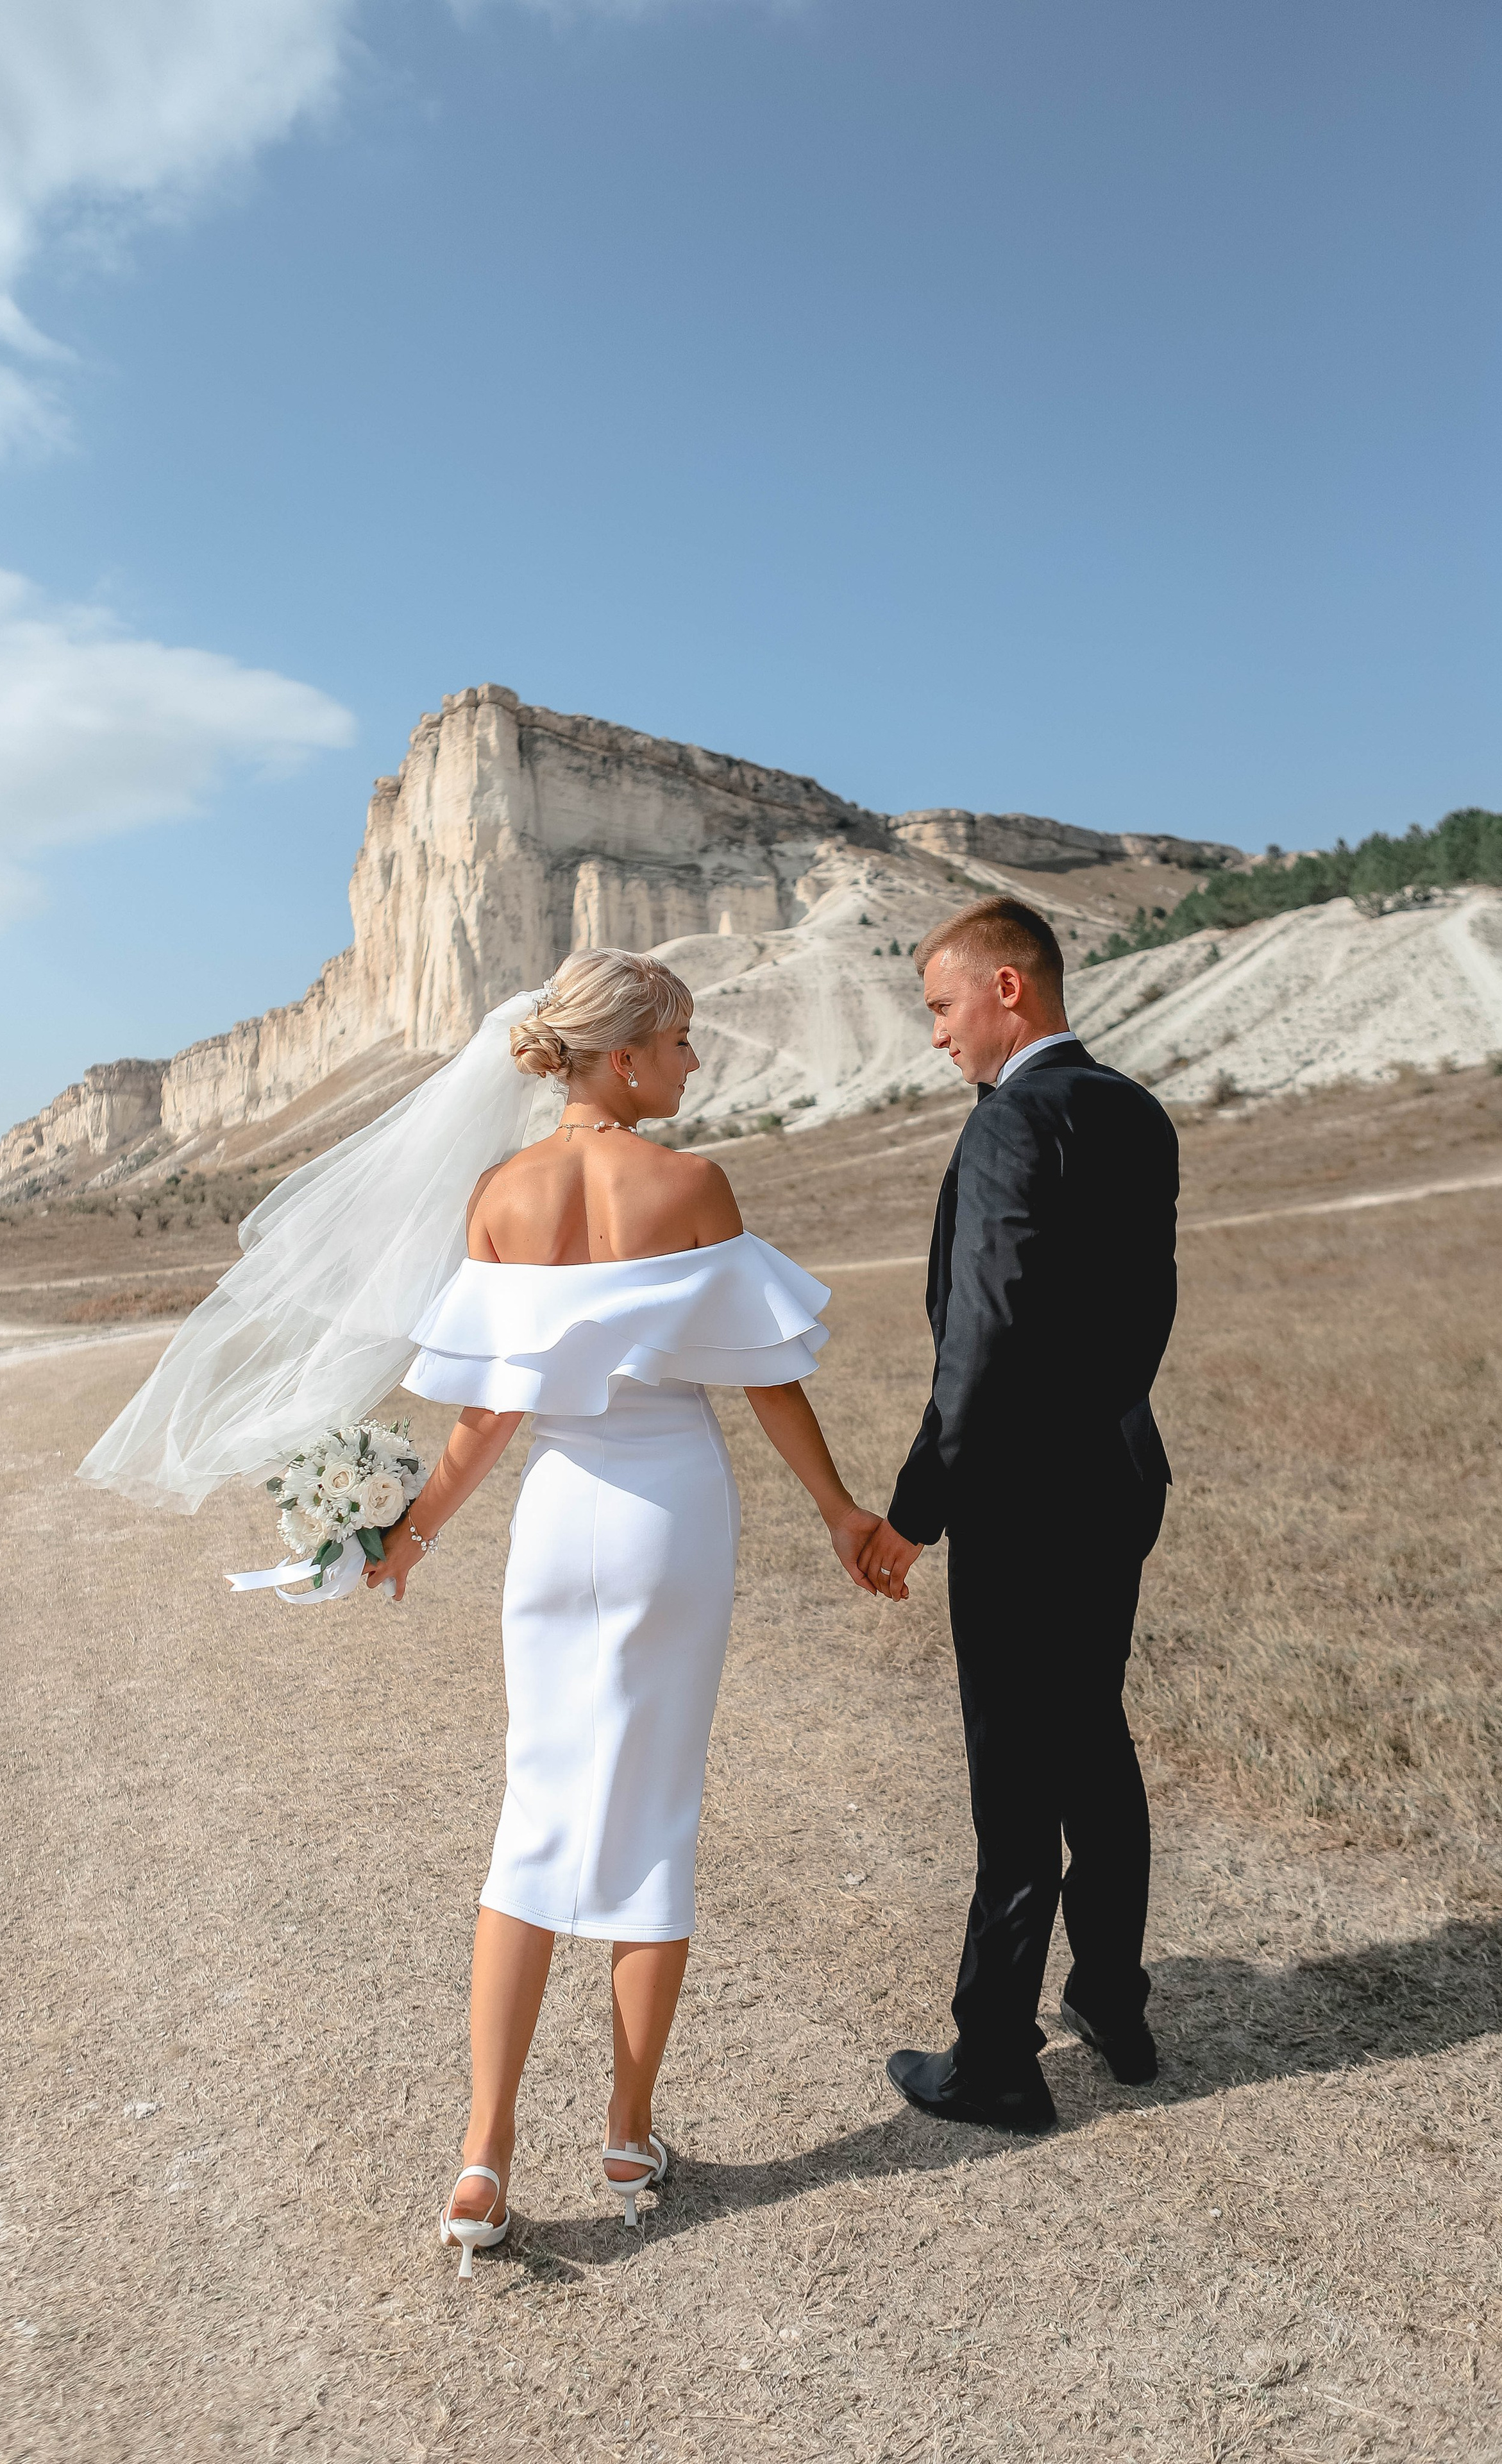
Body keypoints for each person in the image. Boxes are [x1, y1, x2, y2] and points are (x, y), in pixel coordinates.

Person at [367, 949, 883, 2275]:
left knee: (530, 1811)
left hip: (550, 1519)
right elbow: (765, 1374)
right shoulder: (691, 1184)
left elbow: (487, 1412)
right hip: (665, 1514)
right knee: (653, 1810)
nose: (692, 1063)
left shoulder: (500, 1193)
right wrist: (835, 1509)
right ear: (621, 1055)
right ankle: (625, 2131)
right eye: (680, 1040)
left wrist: (413, 1534)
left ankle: (482, 2154)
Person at [859, 897, 1178, 2134]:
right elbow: (1143, 1311)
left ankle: (996, 2052)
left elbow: (981, 1342)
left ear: (1006, 989)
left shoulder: (1011, 1122)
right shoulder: (1133, 1109)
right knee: (1094, 1737)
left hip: (1020, 1500)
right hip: (1116, 1479)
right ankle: (1113, 1999)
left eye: (941, 1008)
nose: (936, 1037)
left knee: (1015, 1778)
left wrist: (914, 1509)